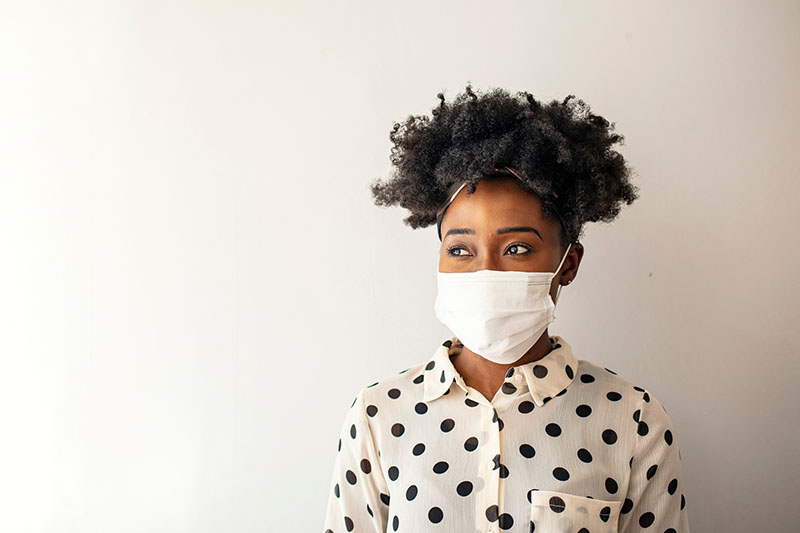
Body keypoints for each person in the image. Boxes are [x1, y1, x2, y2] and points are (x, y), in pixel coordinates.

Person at [322, 85, 689, 533]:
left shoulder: (633, 420)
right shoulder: (378, 416)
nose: (486, 271)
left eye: (516, 248)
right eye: (460, 250)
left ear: (567, 264)